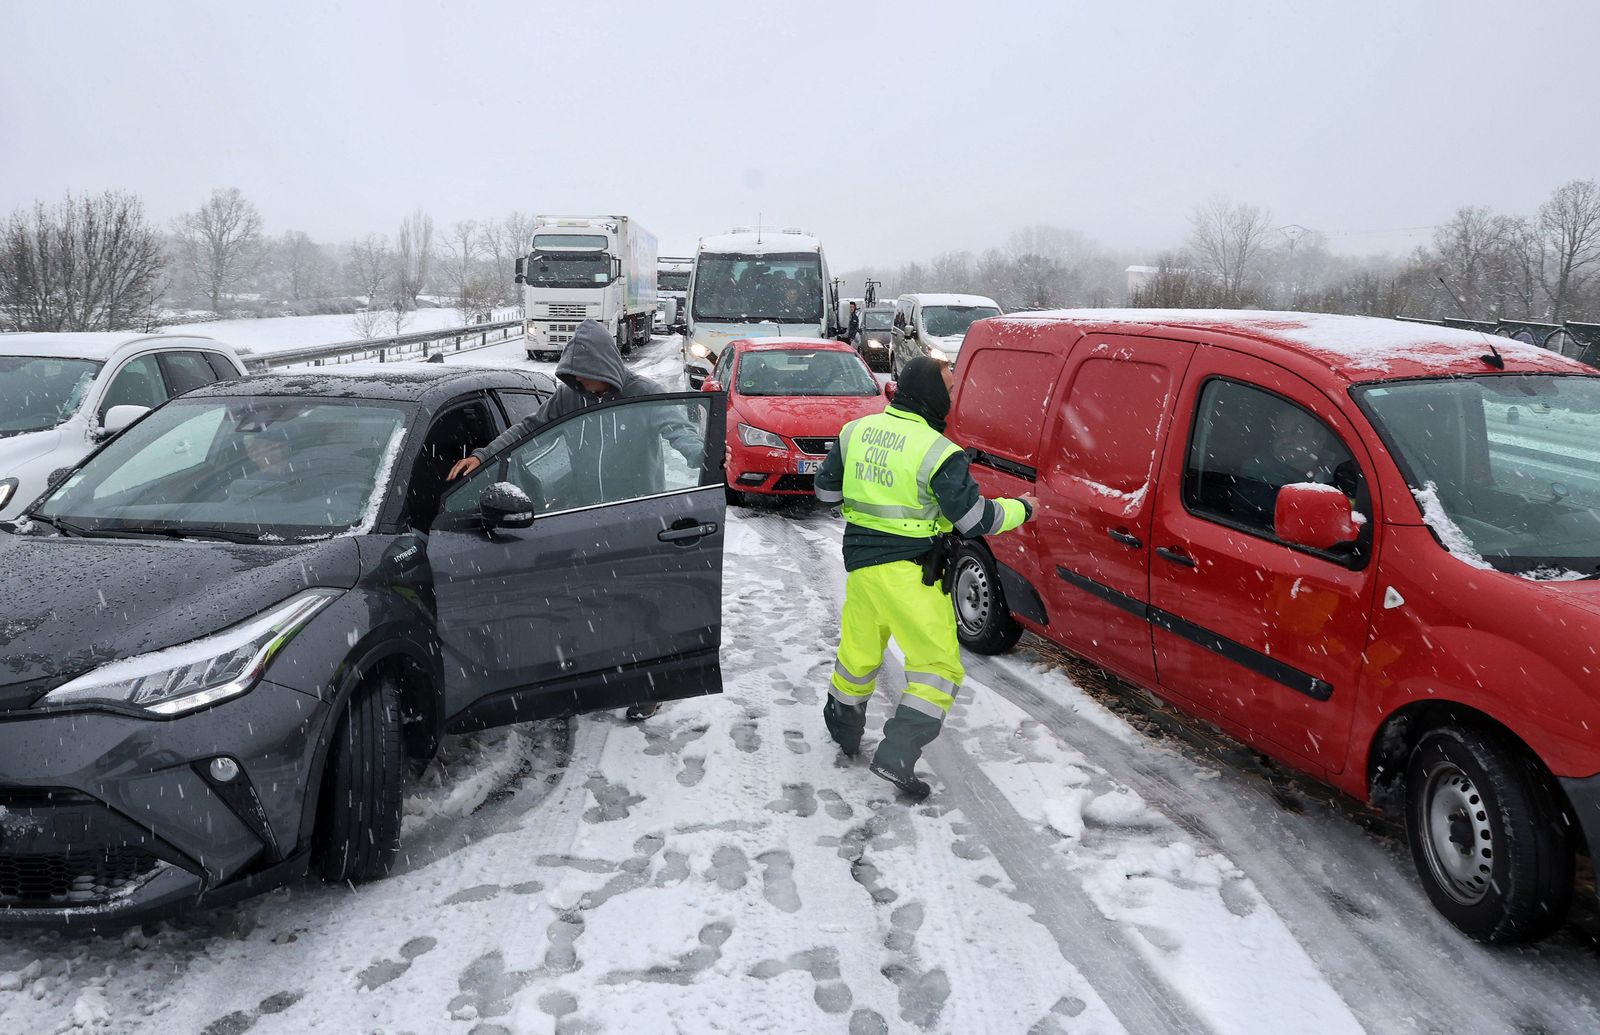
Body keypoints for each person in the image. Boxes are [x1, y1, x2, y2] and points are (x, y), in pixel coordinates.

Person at [448, 318, 705, 720]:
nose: (582, 384)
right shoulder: (570, 397)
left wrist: (702, 456)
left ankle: (648, 688)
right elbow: (530, 428)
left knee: (639, 607)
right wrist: (484, 456)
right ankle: (592, 677)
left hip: (633, 517)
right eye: (576, 377)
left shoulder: (644, 395)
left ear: (605, 365)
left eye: (587, 377)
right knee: (594, 604)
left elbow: (678, 430)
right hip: (585, 515)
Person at [813, 356, 1037, 799]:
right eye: (949, 391)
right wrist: (1023, 508)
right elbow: (975, 519)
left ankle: (842, 729)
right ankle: (897, 754)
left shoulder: (855, 431)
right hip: (912, 573)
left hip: (862, 570)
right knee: (937, 669)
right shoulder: (938, 452)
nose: (953, 399)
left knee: (857, 655)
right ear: (932, 396)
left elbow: (825, 492)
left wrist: (869, 496)